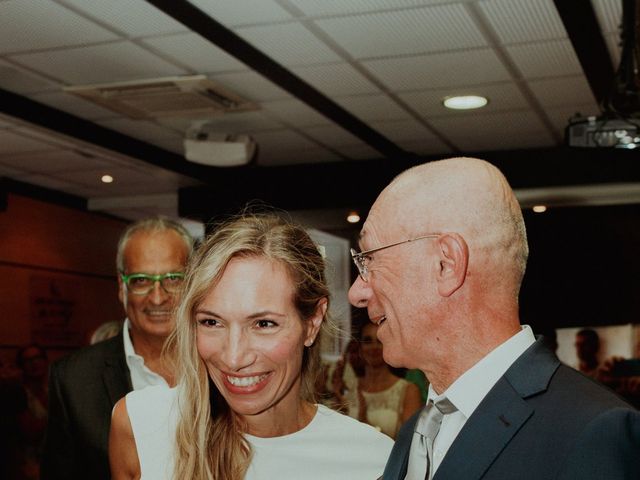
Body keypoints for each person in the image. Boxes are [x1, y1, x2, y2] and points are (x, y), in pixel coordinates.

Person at [348, 157, 640, 480]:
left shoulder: (590, 432)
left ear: (446, 265)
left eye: (369, 260)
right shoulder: (415, 432)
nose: (356, 292)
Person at [109, 214, 393, 480]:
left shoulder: (372, 459)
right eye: (211, 322)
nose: (233, 358)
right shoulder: (142, 425)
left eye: (264, 324)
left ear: (313, 322)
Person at [41, 217, 193, 480]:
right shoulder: (74, 380)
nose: (158, 297)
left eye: (173, 278)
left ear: (193, 282)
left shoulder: (223, 363)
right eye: (141, 280)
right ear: (122, 287)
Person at [347, 322, 422, 438]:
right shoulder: (349, 388)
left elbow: (409, 445)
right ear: (360, 348)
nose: (374, 347)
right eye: (367, 341)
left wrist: (365, 422)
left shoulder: (408, 391)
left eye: (380, 341)